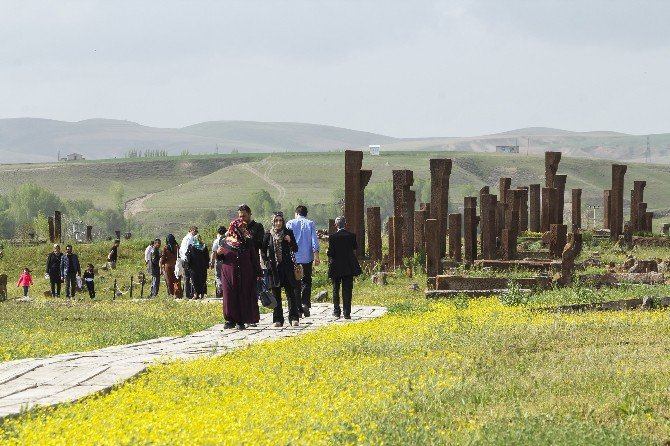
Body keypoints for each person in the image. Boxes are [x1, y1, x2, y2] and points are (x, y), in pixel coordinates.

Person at [218, 217, 261, 329]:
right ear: (234, 227)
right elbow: (220, 258)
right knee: (229, 295)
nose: (243, 229)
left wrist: (258, 272)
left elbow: (253, 257)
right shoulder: (225, 241)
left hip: (245, 272)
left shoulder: (248, 241)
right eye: (240, 227)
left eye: (244, 227)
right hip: (228, 273)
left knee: (243, 294)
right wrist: (219, 253)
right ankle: (229, 320)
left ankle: (240, 321)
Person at [262, 211, 300, 327]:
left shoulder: (288, 232)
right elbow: (263, 250)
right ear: (273, 221)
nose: (278, 223)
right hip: (274, 269)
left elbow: (295, 248)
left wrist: (290, 241)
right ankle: (278, 319)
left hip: (287, 267)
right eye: (276, 221)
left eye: (280, 220)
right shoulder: (268, 234)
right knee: (276, 294)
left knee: (290, 293)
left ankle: (294, 318)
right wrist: (267, 262)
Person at [286, 205, 320, 317]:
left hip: (294, 258)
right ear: (305, 214)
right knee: (307, 281)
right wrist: (316, 256)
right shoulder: (310, 223)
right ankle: (305, 302)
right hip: (307, 258)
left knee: (296, 283)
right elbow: (314, 240)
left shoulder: (290, 223)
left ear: (296, 213)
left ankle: (297, 308)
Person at [327, 216, 361, 319]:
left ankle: (337, 311)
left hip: (336, 266)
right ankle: (347, 313)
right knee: (347, 290)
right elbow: (355, 247)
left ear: (336, 225)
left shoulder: (333, 237)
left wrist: (327, 252)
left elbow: (331, 253)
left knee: (335, 289)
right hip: (348, 266)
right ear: (345, 224)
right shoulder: (351, 236)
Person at [186, 234, 209, 299]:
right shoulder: (204, 247)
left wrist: (188, 266)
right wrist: (207, 265)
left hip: (194, 267)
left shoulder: (191, 247)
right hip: (202, 266)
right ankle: (202, 294)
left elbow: (188, 257)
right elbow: (207, 257)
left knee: (195, 280)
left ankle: (196, 294)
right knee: (202, 280)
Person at [161, 234, 183, 298]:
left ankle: (172, 294)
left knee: (169, 281)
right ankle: (178, 294)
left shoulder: (165, 247)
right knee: (177, 280)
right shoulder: (177, 247)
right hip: (176, 265)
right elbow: (180, 255)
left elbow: (163, 258)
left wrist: (162, 264)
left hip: (168, 266)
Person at [180, 226, 198, 298]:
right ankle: (190, 294)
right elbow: (190, 250)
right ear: (191, 230)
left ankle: (187, 294)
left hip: (184, 259)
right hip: (188, 260)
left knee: (187, 277)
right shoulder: (190, 238)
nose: (196, 233)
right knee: (191, 277)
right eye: (195, 231)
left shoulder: (185, 238)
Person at [210, 226, 227, 298]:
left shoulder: (216, 241)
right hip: (226, 260)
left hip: (218, 260)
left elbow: (214, 252)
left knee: (218, 275)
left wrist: (212, 262)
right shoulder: (228, 240)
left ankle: (220, 286)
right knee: (225, 275)